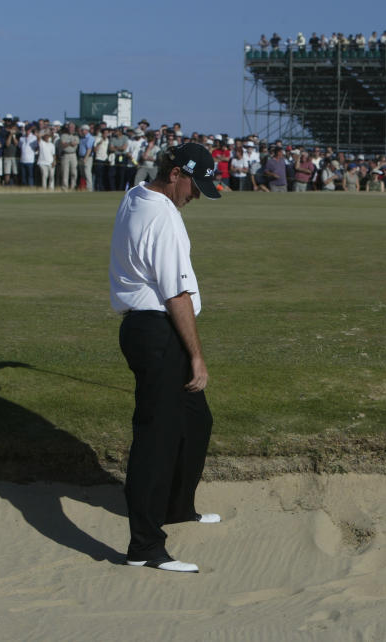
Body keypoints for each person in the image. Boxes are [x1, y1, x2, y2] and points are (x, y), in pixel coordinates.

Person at [108, 143, 222, 573]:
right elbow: (176, 295)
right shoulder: (162, 216)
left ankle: (176, 507)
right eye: (196, 185)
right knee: (155, 439)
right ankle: (144, 547)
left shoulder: (136, 195)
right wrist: (196, 356)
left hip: (147, 329)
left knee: (196, 420)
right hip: (157, 331)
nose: (197, 195)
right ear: (175, 173)